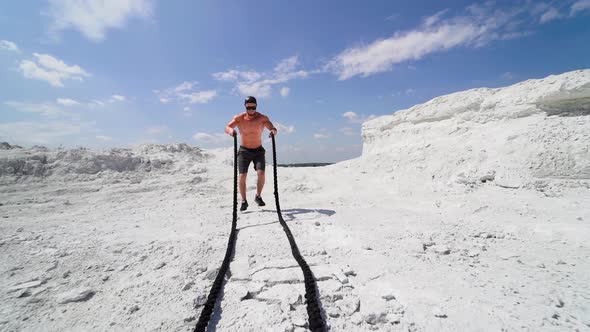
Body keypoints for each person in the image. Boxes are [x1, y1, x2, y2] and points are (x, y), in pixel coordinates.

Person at [225, 96, 278, 211]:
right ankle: (244, 201)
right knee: (242, 176)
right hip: (244, 151)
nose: (251, 110)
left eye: (253, 107)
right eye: (249, 108)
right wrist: (231, 131)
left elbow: (272, 128)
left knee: (261, 174)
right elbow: (228, 126)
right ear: (245, 106)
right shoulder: (239, 118)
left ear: (256, 106)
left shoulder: (262, 118)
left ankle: (258, 196)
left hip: (258, 150)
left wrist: (273, 132)